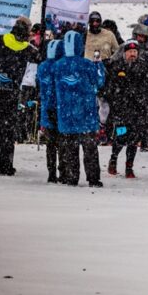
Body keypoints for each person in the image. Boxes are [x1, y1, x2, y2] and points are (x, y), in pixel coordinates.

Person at [54, 30, 105, 187]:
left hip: (66, 115)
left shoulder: (58, 65)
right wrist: (100, 66)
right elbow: (99, 82)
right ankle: (93, 178)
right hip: (86, 115)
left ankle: (71, 176)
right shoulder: (87, 65)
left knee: (70, 150)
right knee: (90, 150)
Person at [104, 39, 148, 178]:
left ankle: (129, 166)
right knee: (120, 136)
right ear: (124, 53)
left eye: (135, 52)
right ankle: (113, 159)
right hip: (121, 110)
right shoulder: (116, 66)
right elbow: (110, 87)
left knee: (134, 139)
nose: (132, 54)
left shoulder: (143, 67)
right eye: (130, 52)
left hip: (137, 110)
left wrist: (144, 102)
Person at [0, 17, 39, 175]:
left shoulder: (0, 40)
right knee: (7, 132)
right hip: (10, 95)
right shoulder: (29, 50)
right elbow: (42, 59)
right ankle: (6, 166)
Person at [37, 39, 64, 182]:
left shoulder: (42, 67)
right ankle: (62, 171)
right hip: (61, 110)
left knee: (50, 145)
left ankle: (51, 173)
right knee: (63, 145)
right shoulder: (62, 66)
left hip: (46, 110)